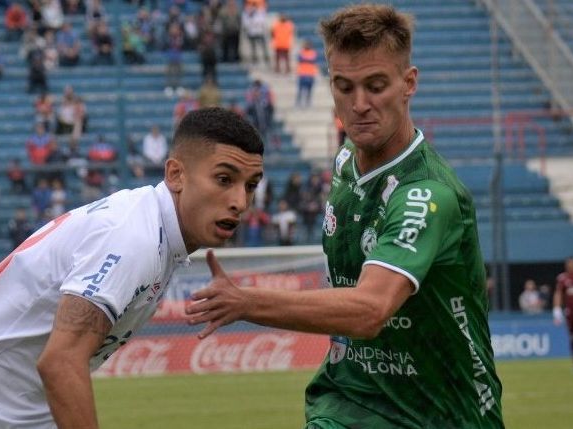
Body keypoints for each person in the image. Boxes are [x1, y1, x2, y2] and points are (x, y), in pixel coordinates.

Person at [183, 6, 504, 428]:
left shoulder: (427, 195)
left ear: (408, 84)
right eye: (344, 87)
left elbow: (369, 310)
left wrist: (247, 301)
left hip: (441, 415)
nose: (359, 105)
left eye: (375, 86)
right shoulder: (346, 161)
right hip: (348, 402)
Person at [0, 107, 265, 428]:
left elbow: (20, 324)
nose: (239, 202)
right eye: (224, 179)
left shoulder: (152, 231)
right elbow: (60, 361)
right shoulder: (134, 238)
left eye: (250, 185)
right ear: (175, 174)